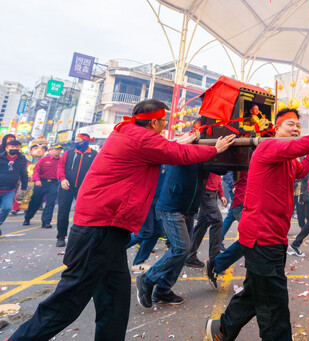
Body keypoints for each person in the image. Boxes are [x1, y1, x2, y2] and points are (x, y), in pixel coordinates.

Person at [8, 99, 234, 341]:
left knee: (114, 299)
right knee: (68, 300)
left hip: (109, 228)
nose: (164, 125)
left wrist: (179, 142)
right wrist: (215, 149)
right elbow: (174, 153)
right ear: (156, 122)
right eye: (163, 121)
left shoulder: (129, 133)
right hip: (101, 225)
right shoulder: (142, 138)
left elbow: (165, 148)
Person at [205, 108, 309, 341]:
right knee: (274, 307)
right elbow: (298, 147)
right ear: (277, 129)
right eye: (290, 124)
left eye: (298, 125)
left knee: (256, 292)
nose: (295, 129)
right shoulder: (269, 146)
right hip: (261, 238)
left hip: (275, 237)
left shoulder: (287, 160)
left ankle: (221, 329)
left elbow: (303, 168)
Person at [136, 121, 233, 307]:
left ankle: (163, 290)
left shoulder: (206, 151)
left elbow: (219, 169)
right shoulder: (180, 146)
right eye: (202, 129)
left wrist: (226, 151)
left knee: (184, 250)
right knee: (181, 248)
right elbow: (179, 154)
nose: (203, 133)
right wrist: (209, 148)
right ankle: (147, 279)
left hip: (189, 209)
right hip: (171, 206)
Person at [206, 172, 248, 289]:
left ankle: (217, 264)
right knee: (251, 239)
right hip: (243, 201)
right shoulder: (248, 156)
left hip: (246, 201)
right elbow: (228, 174)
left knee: (251, 239)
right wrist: (232, 187)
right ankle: (217, 263)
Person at [55, 134, 98, 247]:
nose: (76, 142)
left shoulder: (94, 154)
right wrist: (62, 179)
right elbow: (61, 167)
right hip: (66, 186)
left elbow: (97, 170)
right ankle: (61, 236)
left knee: (83, 212)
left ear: (86, 141)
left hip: (84, 188)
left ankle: (80, 236)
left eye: (79, 140)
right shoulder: (69, 152)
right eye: (76, 140)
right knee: (63, 211)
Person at [126, 166, 165, 273]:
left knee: (156, 231)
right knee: (145, 232)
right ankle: (110, 251)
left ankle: (139, 262)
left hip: (158, 197)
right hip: (145, 195)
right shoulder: (152, 153)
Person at [185, 172, 227, 268]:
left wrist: (221, 194)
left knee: (202, 225)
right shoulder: (209, 158)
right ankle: (215, 262)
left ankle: (190, 256)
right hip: (206, 193)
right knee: (217, 222)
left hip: (211, 193)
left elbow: (218, 174)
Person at [23, 144, 63, 229]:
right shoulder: (44, 159)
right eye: (56, 149)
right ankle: (27, 217)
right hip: (41, 182)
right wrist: (37, 180)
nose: (58, 151)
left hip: (53, 183)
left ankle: (46, 222)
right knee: (35, 202)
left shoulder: (62, 160)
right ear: (51, 150)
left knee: (50, 203)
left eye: (59, 150)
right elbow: (36, 170)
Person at [0, 140, 28, 236]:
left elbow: (24, 174)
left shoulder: (22, 159)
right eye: (12, 147)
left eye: (17, 147)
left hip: (10, 189)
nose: (14, 149)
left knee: (7, 208)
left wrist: (24, 187)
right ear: (7, 148)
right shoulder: (1, 157)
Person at [220, 172, 247, 251]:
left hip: (243, 193)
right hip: (239, 193)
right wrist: (232, 186)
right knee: (248, 231)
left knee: (231, 215)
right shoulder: (239, 160)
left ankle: (218, 240)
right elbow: (227, 174)